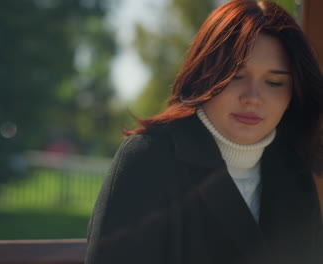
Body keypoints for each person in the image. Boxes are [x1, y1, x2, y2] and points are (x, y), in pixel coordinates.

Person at [85, 0, 323, 263]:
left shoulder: (294, 170)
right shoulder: (147, 159)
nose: (253, 98)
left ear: (294, 92)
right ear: (204, 76)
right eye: (235, 76)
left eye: (274, 82)